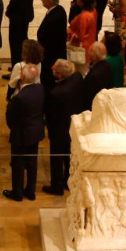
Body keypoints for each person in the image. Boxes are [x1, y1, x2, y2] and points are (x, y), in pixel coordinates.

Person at [3, 64, 44, 202]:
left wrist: (13, 128)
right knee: (32, 162)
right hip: (36, 131)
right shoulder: (40, 89)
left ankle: (17, 192)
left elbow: (10, 118)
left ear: (22, 77)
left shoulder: (19, 98)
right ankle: (30, 191)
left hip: (21, 134)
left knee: (18, 163)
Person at [43, 59, 82, 196]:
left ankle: (56, 186)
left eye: (54, 70)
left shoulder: (56, 93)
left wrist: (49, 128)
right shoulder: (77, 78)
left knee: (56, 157)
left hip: (59, 128)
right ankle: (68, 180)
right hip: (73, 124)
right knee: (68, 155)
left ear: (59, 75)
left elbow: (50, 114)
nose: (52, 71)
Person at [5, 0, 37, 70]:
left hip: (18, 17)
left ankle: (16, 67)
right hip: (26, 14)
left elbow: (15, 1)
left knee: (15, 43)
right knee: (22, 39)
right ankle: (20, 63)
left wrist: (8, 11)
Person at [37, 0, 68, 90]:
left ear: (49, 0)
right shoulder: (60, 10)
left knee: (49, 82)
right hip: (54, 54)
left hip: (52, 57)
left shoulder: (54, 17)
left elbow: (49, 38)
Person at [68, 0, 98, 64]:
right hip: (90, 43)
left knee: (82, 72)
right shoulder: (93, 10)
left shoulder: (84, 17)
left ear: (82, 2)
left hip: (82, 49)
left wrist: (69, 32)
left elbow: (80, 36)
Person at [83, 42, 113, 109]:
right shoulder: (107, 65)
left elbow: (89, 97)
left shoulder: (93, 76)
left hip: (94, 106)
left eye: (90, 53)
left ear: (94, 57)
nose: (88, 55)